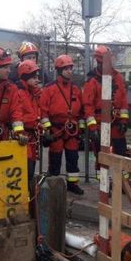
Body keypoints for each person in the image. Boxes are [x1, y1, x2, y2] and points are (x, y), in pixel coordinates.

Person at [39, 55, 85, 195]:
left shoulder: (76, 89)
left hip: (72, 130)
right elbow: (43, 111)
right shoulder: (49, 89)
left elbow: (82, 111)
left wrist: (81, 130)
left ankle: (72, 184)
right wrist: (47, 131)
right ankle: (54, 183)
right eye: (66, 68)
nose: (70, 71)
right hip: (56, 129)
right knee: (55, 158)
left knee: (73, 158)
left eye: (71, 68)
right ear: (59, 70)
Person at [82, 45, 129, 171]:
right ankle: (103, 186)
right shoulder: (92, 81)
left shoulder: (118, 78)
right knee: (102, 157)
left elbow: (123, 101)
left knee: (121, 154)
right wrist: (92, 128)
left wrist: (124, 121)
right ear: (99, 62)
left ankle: (122, 185)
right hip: (99, 124)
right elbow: (88, 105)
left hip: (116, 123)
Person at [16, 60, 42, 197]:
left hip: (31, 137)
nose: (37, 80)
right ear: (26, 77)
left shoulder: (33, 93)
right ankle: (23, 197)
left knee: (30, 168)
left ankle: (27, 197)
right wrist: (34, 124)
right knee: (26, 169)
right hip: (23, 137)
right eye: (34, 77)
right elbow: (18, 116)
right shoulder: (20, 93)